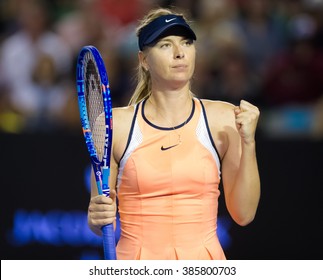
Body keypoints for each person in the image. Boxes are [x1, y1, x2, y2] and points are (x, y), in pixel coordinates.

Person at [87, 7, 261, 260]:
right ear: (144, 60)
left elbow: (244, 214)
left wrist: (249, 142)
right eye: (166, 45)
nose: (180, 53)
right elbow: (101, 222)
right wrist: (96, 217)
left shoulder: (225, 119)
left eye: (186, 43)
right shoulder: (115, 124)